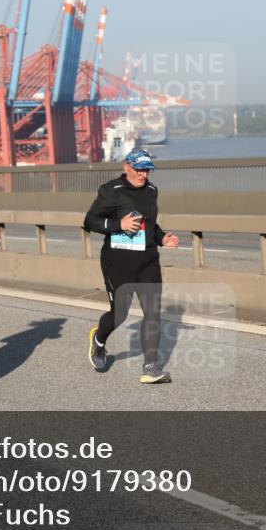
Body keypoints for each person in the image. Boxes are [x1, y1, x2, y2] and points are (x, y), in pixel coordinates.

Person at [83, 149, 179, 383]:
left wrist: (162, 238)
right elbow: (90, 221)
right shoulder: (111, 190)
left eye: (147, 170)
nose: (143, 174)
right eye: (139, 169)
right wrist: (119, 224)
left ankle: (151, 367)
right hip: (118, 262)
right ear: (126, 167)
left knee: (153, 312)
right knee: (119, 313)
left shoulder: (152, 191)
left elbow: (150, 225)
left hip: (147, 261)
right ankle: (98, 340)